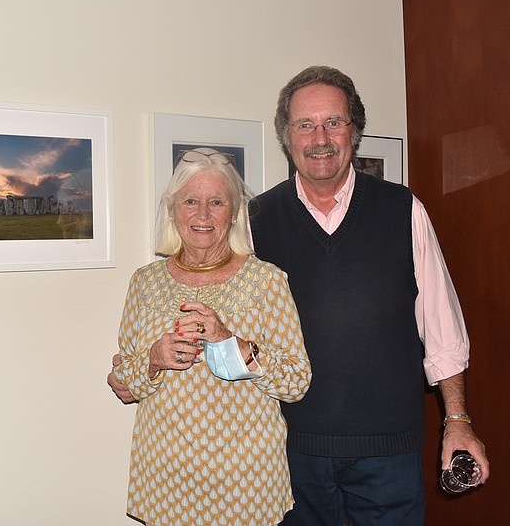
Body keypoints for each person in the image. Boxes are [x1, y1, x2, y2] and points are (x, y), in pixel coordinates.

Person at [109, 66, 490, 525]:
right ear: (287, 137)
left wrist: (458, 422)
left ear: (355, 131)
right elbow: (220, 316)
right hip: (293, 450)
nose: (320, 137)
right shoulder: (255, 219)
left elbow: (442, 328)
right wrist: (139, 366)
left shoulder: (404, 210)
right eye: (304, 125)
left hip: (389, 450)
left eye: (333, 122)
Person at [112, 147, 311, 526]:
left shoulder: (266, 281)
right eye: (190, 201)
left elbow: (297, 381)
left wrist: (233, 342)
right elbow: (125, 382)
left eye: (216, 202)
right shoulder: (145, 283)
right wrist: (153, 358)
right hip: (165, 478)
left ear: (234, 212)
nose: (202, 214)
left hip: (245, 483)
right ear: (172, 210)